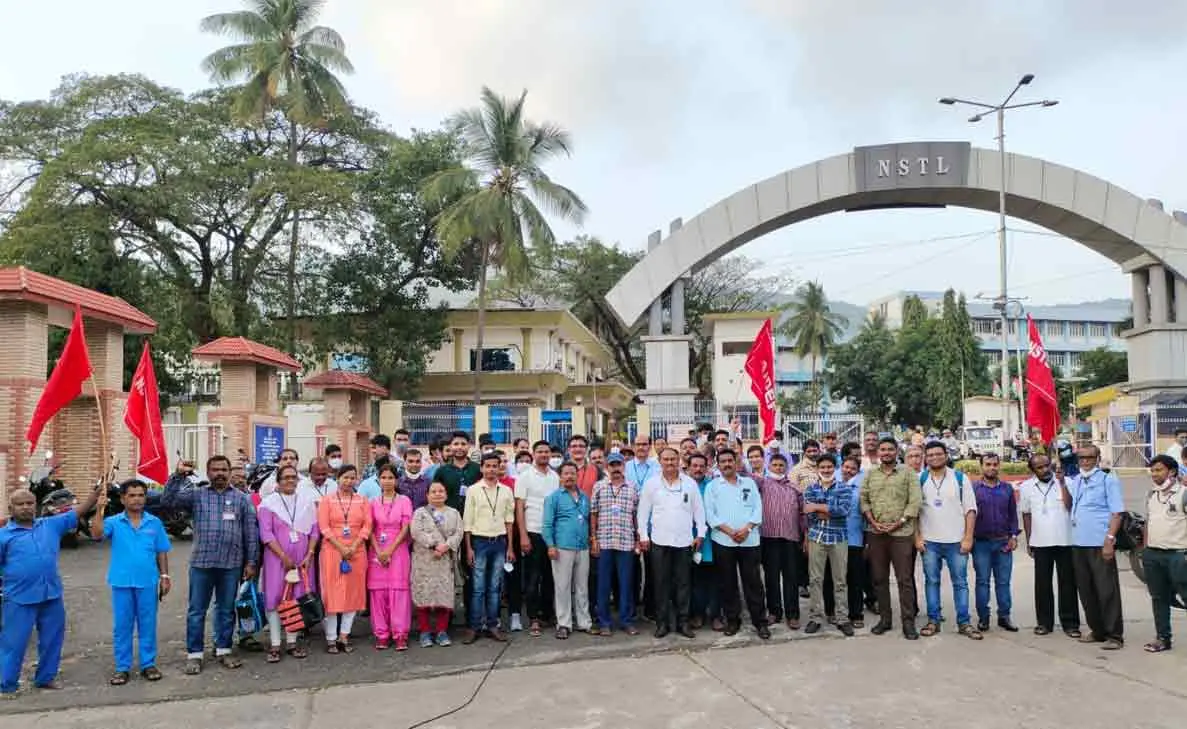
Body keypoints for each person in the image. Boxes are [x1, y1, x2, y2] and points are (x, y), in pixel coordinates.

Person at [0, 481, 100, 695]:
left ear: (35, 505)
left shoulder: (49, 525)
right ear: (11, 509)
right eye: (20, 504)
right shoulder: (3, 536)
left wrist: (95, 494)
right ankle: (7, 685)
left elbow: (78, 511)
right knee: (13, 643)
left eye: (30, 503)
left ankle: (45, 678)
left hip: (51, 594)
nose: (26, 507)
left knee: (52, 640)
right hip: (19, 598)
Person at [164, 454, 259, 675]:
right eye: (215, 470)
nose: (220, 474)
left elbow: (251, 533)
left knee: (226, 610)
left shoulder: (241, 499)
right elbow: (168, 502)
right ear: (208, 473)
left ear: (229, 472)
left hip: (231, 564)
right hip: (202, 563)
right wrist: (177, 476)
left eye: (224, 470)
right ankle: (194, 654)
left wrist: (251, 561)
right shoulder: (197, 496)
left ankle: (224, 649)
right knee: (196, 610)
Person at [91, 479, 173, 685]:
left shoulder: (154, 522)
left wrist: (165, 576)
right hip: (121, 582)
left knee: (147, 624)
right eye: (132, 495)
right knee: (123, 626)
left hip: (147, 582)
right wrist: (99, 510)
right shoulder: (114, 522)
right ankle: (122, 667)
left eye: (140, 495)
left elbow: (161, 550)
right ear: (123, 498)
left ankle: (148, 664)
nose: (137, 499)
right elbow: (96, 534)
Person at [638, 448, 707, 639]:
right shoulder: (651, 484)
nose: (670, 463)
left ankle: (683, 623)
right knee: (661, 584)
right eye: (666, 459)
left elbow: (699, 512)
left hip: (684, 542)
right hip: (659, 542)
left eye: (673, 459)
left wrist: (701, 534)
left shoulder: (690, 483)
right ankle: (663, 623)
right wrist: (643, 535)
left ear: (679, 461)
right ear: (659, 461)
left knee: (683, 584)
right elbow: (642, 512)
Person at [1060, 445, 1125, 650]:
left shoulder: (1107, 479)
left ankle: (1114, 635)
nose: (1085, 461)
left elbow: (1117, 513)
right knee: (1086, 591)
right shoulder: (1077, 480)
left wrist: (1110, 539)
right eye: (1081, 458)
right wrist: (1062, 482)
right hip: (1079, 542)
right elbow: (1069, 505)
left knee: (1107, 590)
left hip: (1099, 542)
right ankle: (1097, 630)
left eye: (1089, 458)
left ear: (1097, 458)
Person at [916, 442, 980, 640]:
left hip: (956, 541)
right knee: (931, 581)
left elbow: (970, 510)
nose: (935, 457)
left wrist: (968, 537)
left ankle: (964, 622)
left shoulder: (960, 478)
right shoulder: (920, 479)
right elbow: (914, 512)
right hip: (929, 541)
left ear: (946, 455)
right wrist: (917, 537)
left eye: (939, 454)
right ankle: (933, 620)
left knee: (960, 582)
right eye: (931, 455)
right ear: (926, 458)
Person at [256, 464, 319, 663]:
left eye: (294, 477)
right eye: (286, 478)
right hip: (277, 560)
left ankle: (292, 641)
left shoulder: (307, 501)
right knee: (275, 599)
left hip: (302, 560)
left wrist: (310, 554)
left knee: (297, 598)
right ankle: (275, 643)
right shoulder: (268, 503)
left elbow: (314, 530)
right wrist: (283, 556)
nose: (290, 481)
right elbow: (266, 533)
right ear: (278, 481)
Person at [860, 436, 921, 640]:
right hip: (876, 533)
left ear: (897, 452)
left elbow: (915, 502)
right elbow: (864, 499)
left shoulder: (908, 473)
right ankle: (885, 620)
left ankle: (908, 622)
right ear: (878, 452)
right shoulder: (870, 474)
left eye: (890, 449)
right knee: (879, 578)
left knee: (904, 579)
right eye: (883, 449)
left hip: (901, 534)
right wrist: (872, 521)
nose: (886, 452)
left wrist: (899, 522)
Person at [705, 449, 769, 639]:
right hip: (723, 541)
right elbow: (710, 514)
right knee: (728, 583)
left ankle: (760, 622)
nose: (726, 464)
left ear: (736, 462)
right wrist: (730, 532)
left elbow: (758, 508)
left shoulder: (749, 483)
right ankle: (733, 620)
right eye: (722, 461)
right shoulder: (713, 486)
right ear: (718, 464)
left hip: (749, 541)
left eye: (729, 461)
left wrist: (747, 528)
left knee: (754, 584)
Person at [1020, 454, 1080, 638]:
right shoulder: (1026, 487)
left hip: (1065, 541)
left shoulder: (1067, 482)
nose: (1045, 470)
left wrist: (1061, 484)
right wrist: (1029, 540)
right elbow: (1026, 514)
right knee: (1042, 585)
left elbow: (1071, 507)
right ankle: (1044, 623)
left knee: (1068, 583)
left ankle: (1070, 623)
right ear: (1032, 470)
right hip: (1041, 542)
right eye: (1040, 467)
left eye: (1047, 465)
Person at [462, 452, 516, 644]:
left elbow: (509, 521)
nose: (492, 469)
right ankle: (474, 627)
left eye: (495, 465)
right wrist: (468, 548)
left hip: (500, 542)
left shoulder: (506, 491)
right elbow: (467, 522)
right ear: (482, 468)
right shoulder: (473, 490)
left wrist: (510, 547)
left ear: (500, 467)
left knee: (495, 587)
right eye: (488, 466)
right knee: (478, 588)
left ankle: (493, 625)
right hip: (479, 542)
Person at [317, 464, 372, 654]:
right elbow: (324, 527)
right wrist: (341, 547)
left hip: (356, 552)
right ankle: (331, 638)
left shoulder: (362, 501)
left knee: (352, 594)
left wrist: (354, 546)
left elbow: (367, 526)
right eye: (345, 477)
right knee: (333, 595)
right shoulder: (327, 501)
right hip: (332, 551)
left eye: (352, 477)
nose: (348, 481)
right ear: (338, 478)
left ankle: (344, 636)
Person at [803, 455, 854, 636]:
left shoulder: (845, 488)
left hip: (838, 538)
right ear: (818, 468)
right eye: (823, 467)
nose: (826, 470)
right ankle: (815, 617)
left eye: (829, 467)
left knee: (840, 580)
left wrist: (818, 506)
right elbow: (809, 515)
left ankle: (842, 618)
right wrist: (825, 509)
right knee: (815, 580)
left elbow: (844, 511)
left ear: (835, 468)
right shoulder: (810, 489)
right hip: (817, 538)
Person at [590, 452, 640, 636]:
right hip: (604, 541)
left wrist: (637, 539)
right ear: (607, 467)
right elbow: (593, 513)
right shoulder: (599, 487)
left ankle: (626, 621)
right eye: (612, 465)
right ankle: (604, 622)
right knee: (603, 583)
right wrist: (593, 538)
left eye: (619, 465)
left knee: (626, 583)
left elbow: (636, 515)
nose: (616, 468)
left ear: (623, 466)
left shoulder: (632, 488)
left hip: (626, 542)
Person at [1141, 454, 1187, 653]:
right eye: (1152, 471)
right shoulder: (1152, 495)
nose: (1155, 474)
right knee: (1159, 597)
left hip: (1177, 555)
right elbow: (1148, 523)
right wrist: (1145, 550)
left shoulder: (1183, 494)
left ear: (1172, 471)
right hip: (1153, 554)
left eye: (1159, 470)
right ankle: (1163, 638)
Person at [515, 440, 560, 637]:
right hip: (532, 532)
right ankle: (533, 617)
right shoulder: (524, 477)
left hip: (552, 534)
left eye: (546, 451)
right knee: (533, 578)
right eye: (540, 451)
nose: (543, 454)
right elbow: (519, 507)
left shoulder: (555, 477)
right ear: (533, 454)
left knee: (550, 577)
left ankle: (547, 614)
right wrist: (523, 535)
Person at [543, 462, 593, 639]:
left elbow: (587, 520)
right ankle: (563, 623)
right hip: (562, 547)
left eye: (573, 473)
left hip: (582, 547)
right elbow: (547, 524)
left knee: (582, 587)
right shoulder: (554, 498)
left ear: (577, 475)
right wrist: (550, 545)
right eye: (566, 474)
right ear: (560, 476)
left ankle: (584, 622)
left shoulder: (585, 497)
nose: (570, 476)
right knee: (562, 586)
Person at [411, 482, 464, 647]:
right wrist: (433, 545)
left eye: (441, 491)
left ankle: (441, 631)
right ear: (427, 495)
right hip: (424, 560)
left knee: (444, 596)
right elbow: (416, 531)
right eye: (433, 491)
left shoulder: (454, 513)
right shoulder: (420, 513)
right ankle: (425, 632)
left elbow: (459, 532)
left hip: (444, 560)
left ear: (446, 494)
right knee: (423, 596)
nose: (438, 494)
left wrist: (445, 546)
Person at [367, 463, 413, 651]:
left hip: (398, 550)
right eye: (383, 477)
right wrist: (378, 550)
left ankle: (400, 634)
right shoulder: (372, 502)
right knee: (378, 594)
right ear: (378, 480)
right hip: (376, 550)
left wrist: (390, 550)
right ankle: (382, 634)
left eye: (390, 478)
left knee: (399, 592)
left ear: (397, 480)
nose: (387, 481)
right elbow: (368, 529)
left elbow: (406, 527)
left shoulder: (404, 501)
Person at [758, 452, 803, 630]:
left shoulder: (794, 487)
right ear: (769, 467)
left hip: (791, 538)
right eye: (775, 465)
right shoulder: (762, 483)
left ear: (786, 467)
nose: (778, 468)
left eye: (781, 465)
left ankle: (793, 614)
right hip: (769, 538)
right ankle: (774, 612)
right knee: (771, 577)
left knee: (791, 578)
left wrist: (804, 534)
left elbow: (801, 513)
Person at [687, 453, 722, 630]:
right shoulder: (683, 485)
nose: (698, 469)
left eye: (702, 466)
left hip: (713, 539)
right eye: (695, 465)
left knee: (715, 580)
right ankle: (697, 614)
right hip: (690, 541)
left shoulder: (714, 486)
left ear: (707, 467)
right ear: (688, 467)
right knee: (695, 582)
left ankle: (715, 615)